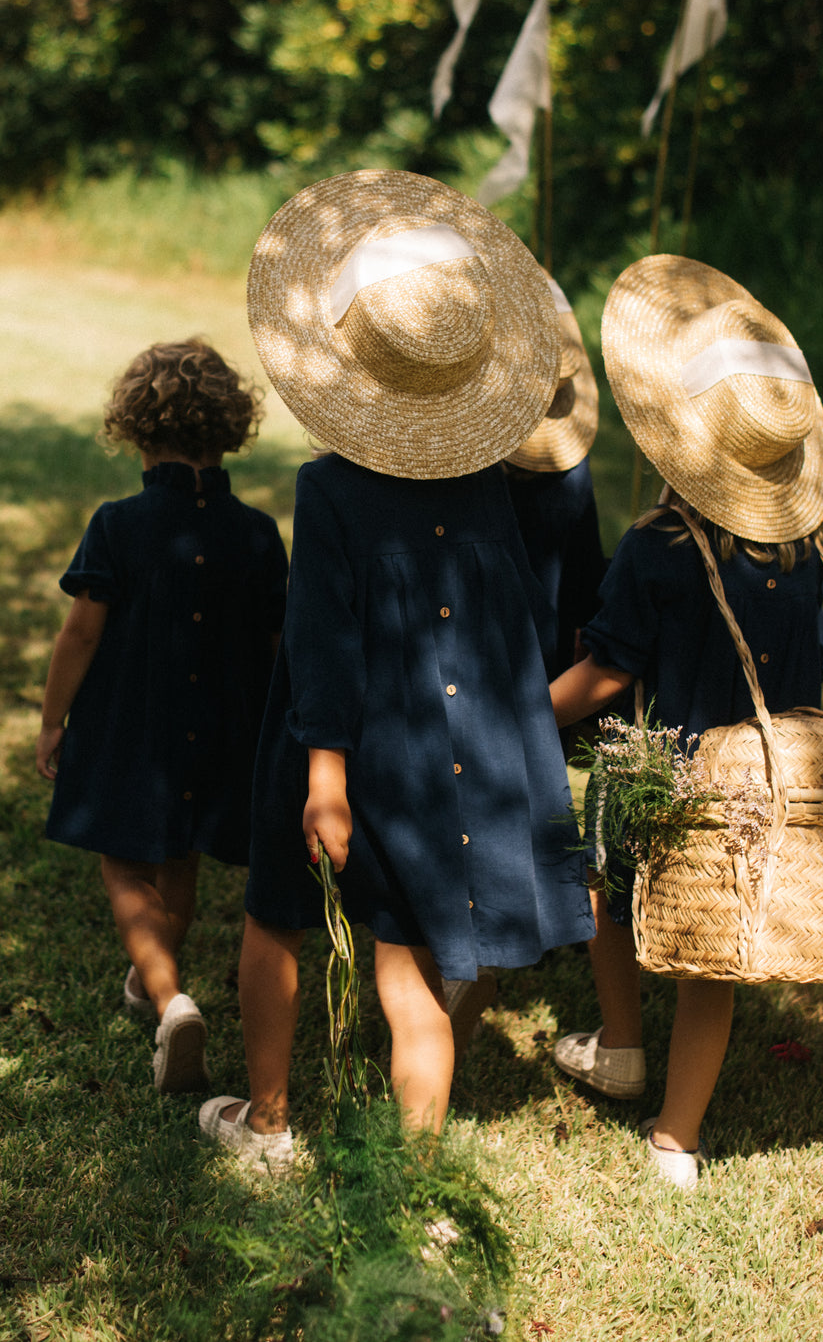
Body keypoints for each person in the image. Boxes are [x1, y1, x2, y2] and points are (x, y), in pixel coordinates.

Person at [199, 169, 594, 1172]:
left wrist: (324, 777)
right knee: (410, 974)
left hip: (338, 740)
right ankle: (416, 1177)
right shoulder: (490, 489)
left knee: (278, 916)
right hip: (445, 758)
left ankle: (272, 1124)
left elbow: (324, 640)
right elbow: (511, 635)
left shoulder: (328, 490)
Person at [549, 254, 823, 1189]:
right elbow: (811, 680)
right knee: (711, 957)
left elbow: (606, 671)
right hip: (751, 787)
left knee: (604, 885)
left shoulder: (659, 547)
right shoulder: (801, 560)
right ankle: (679, 1138)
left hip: (655, 778)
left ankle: (623, 1044)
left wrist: (518, 720)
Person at [36, 338, 289, 1093]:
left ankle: (171, 995)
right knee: (180, 858)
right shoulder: (256, 532)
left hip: (129, 729)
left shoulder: (118, 524)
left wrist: (53, 719)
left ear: (136, 430)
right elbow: (277, 642)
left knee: (123, 861)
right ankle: (154, 980)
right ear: (229, 432)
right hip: (224, 727)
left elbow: (82, 631)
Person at [443, 271, 608, 1059]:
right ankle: (517, 927)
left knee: (467, 808)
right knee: (519, 795)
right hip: (541, 660)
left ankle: (470, 952)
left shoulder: (468, 477)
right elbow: (583, 577)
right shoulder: (569, 477)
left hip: (471, 659)